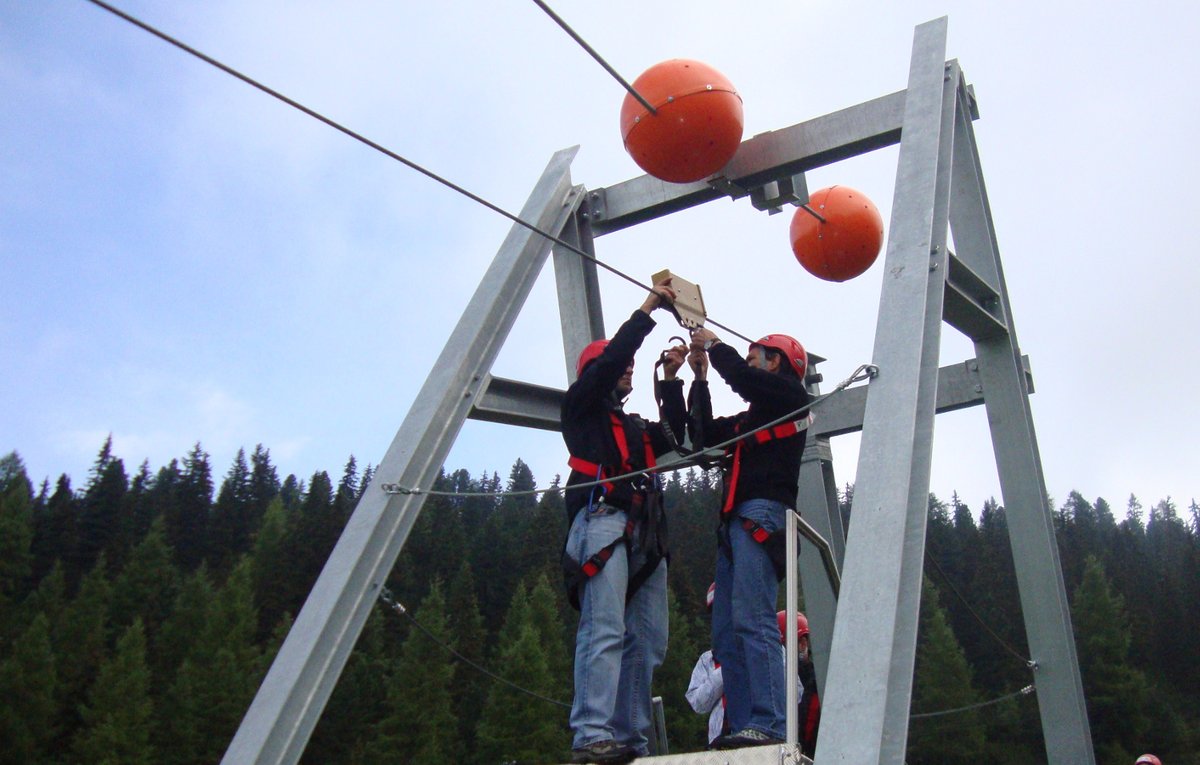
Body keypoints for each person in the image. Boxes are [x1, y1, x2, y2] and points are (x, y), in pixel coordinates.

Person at [560, 278, 689, 765]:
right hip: (603, 523)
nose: (629, 368)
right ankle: (592, 734)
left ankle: (630, 739)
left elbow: (676, 438)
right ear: (595, 371)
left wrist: (675, 380)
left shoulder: (634, 429)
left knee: (648, 640)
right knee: (605, 628)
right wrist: (649, 308)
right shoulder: (580, 409)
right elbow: (614, 357)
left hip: (644, 537)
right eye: (620, 365)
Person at [686, 327, 811, 749]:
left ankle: (769, 721)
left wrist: (715, 346)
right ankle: (746, 722)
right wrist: (698, 378)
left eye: (754, 354)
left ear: (776, 362)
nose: (748, 359)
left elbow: (744, 379)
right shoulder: (755, 418)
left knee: (754, 620)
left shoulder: (790, 398)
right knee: (728, 631)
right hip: (736, 521)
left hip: (760, 514)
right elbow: (703, 435)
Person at [685, 584, 727, 746]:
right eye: (716, 611)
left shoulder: (763, 646)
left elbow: (796, 694)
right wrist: (724, 671)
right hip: (719, 743)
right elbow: (697, 704)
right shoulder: (708, 659)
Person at [778, 610, 821, 758]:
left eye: (805, 641)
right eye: (798, 641)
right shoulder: (780, 677)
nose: (803, 646)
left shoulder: (816, 679)